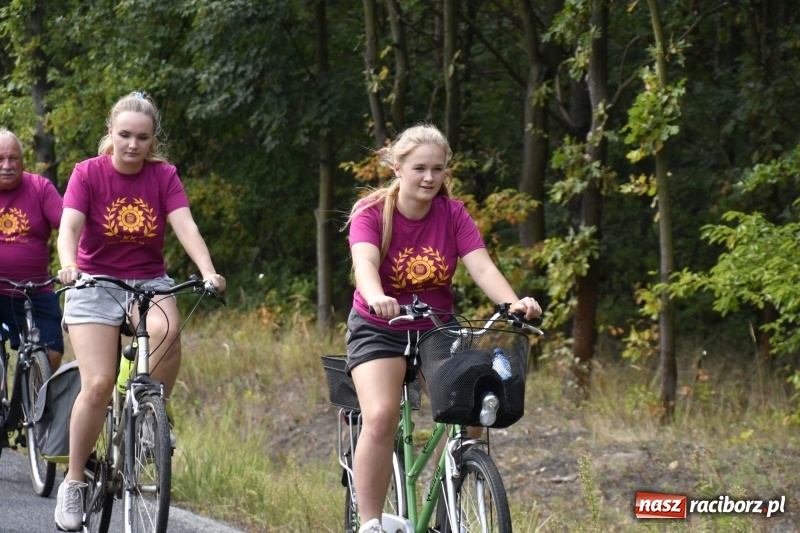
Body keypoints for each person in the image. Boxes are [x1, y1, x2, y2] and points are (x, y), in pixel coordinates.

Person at [344, 123, 542, 533]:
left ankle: (448, 509)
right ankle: (370, 524)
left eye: (438, 169)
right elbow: (363, 264)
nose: (430, 178)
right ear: (397, 168)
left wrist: (512, 303)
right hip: (380, 325)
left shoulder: (453, 214)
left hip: (436, 328)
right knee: (380, 417)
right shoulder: (372, 213)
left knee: (472, 412)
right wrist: (378, 293)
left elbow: (482, 266)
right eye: (419, 168)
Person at [54, 92, 226, 532]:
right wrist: (69, 264)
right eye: (125, 135)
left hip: (147, 283)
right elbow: (69, 225)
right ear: (111, 133)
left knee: (167, 329)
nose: (133, 145)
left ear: (153, 140)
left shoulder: (163, 175)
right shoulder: (87, 173)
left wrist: (208, 271)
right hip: (93, 282)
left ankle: (151, 415)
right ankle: (74, 481)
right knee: (97, 383)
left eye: (142, 137)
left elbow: (185, 224)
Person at [0, 128, 63, 374]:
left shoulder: (40, 188)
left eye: (13, 158)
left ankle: (31, 406)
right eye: (0, 159)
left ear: (23, 161)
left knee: (53, 351)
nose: (7, 165)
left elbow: (69, 228)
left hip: (35, 291)